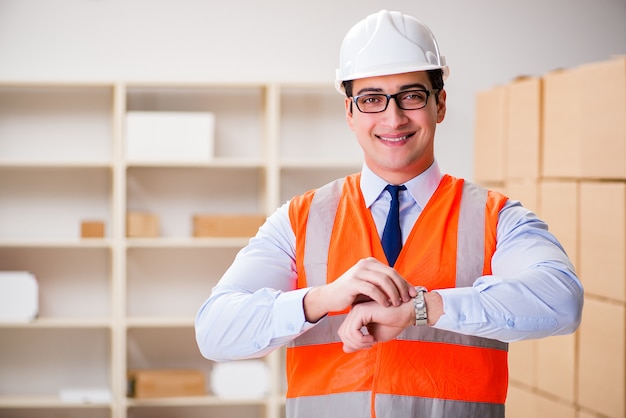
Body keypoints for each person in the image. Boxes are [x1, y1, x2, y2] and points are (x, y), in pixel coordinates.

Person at [195, 9, 583, 418]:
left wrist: (422, 307)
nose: (393, 117)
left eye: (412, 95)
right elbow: (215, 331)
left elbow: (562, 301)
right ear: (350, 112)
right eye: (371, 99)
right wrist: (322, 298)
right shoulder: (299, 219)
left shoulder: (496, 217)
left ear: (441, 104)